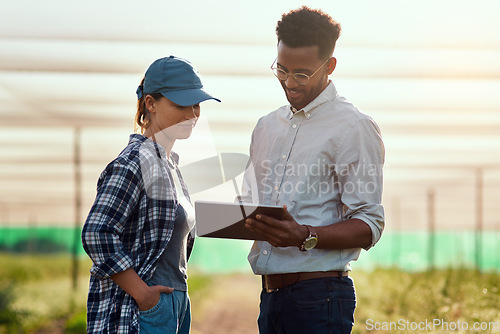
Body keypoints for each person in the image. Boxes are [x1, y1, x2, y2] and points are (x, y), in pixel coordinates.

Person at [241, 6, 385, 334]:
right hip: (270, 297)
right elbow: (254, 202)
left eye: (301, 74)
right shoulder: (266, 127)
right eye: (281, 70)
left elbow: (370, 224)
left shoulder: (353, 127)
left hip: (320, 299)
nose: (289, 83)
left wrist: (305, 235)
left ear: (330, 65)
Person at [81, 55, 220, 334]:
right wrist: (144, 296)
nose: (192, 114)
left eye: (196, 105)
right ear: (151, 103)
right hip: (141, 309)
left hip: (175, 301)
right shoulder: (134, 161)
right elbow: (97, 233)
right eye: (181, 104)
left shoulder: (170, 165)